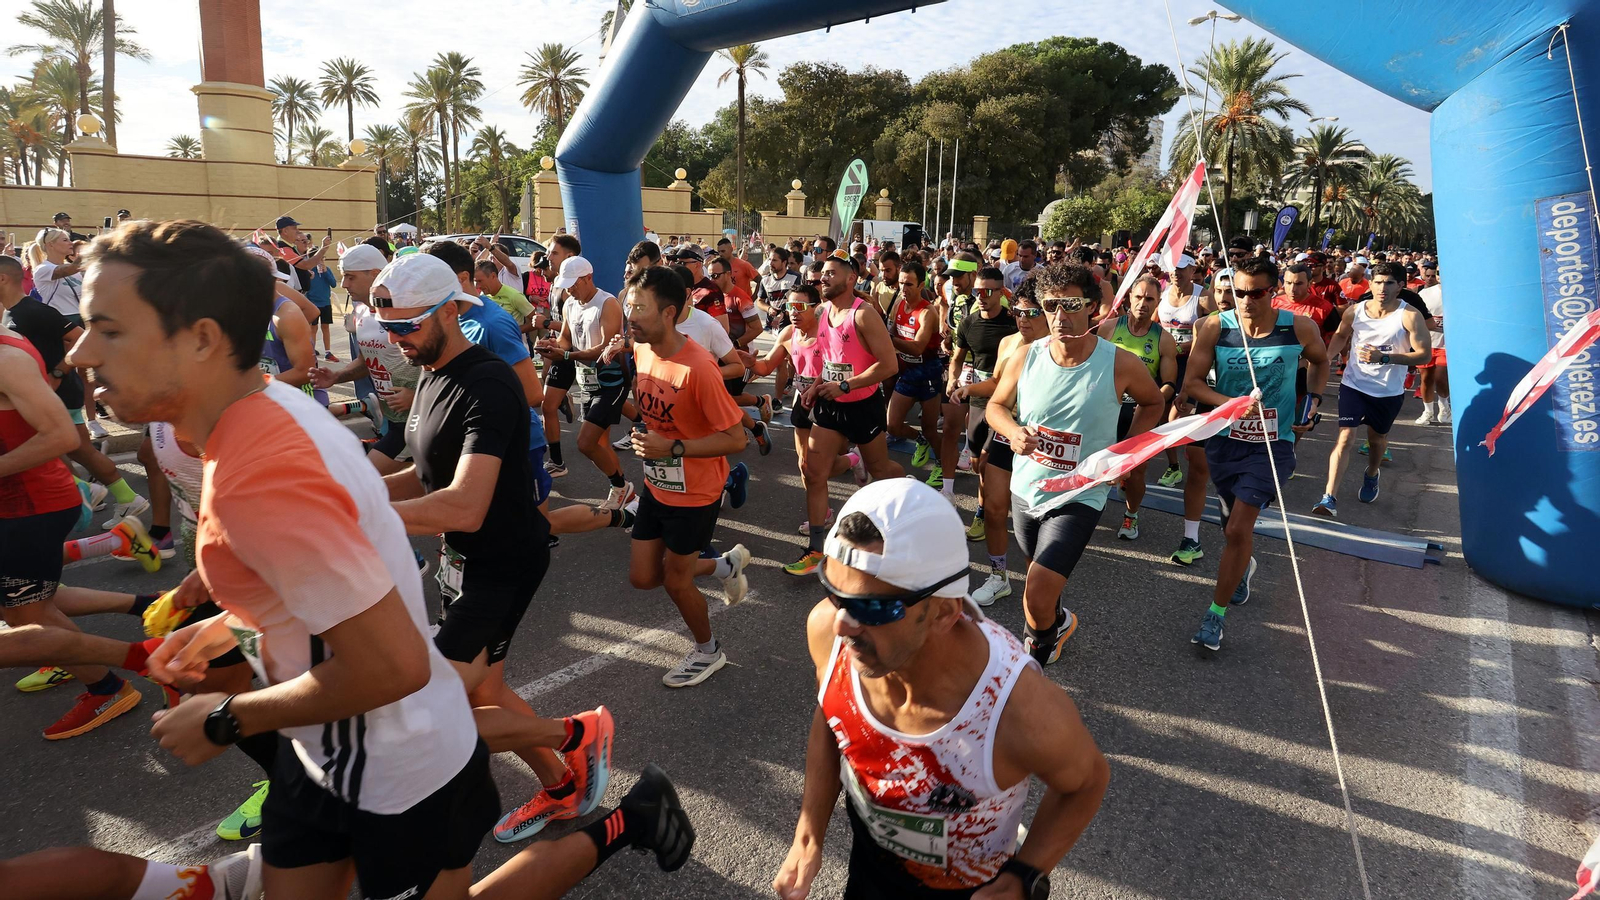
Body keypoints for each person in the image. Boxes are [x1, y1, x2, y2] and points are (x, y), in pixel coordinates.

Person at [369, 253, 612, 844]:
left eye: (410, 326)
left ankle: (575, 735)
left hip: (500, 565)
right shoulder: (430, 372)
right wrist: (359, 492)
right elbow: (425, 474)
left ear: (450, 311)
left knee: (435, 708)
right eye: (390, 329)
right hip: (464, 564)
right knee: (483, 691)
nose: (399, 340)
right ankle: (564, 787)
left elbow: (463, 503)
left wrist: (362, 518)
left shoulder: (490, 382)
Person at [772, 479, 1110, 900]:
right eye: (834, 593)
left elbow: (1087, 782)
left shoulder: (1016, 709)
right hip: (871, 864)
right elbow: (834, 714)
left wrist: (1024, 876)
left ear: (944, 612)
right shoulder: (829, 629)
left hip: (967, 887)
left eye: (871, 607)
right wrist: (809, 833)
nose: (842, 624)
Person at [988, 263, 1163, 664]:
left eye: (1071, 305)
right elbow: (997, 405)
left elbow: (1154, 401)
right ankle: (1059, 619)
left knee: (1036, 589)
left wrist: (1129, 452)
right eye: (1051, 306)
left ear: (1092, 309)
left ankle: (1037, 649)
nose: (1060, 317)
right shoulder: (1026, 356)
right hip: (1028, 486)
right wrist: (1014, 432)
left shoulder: (1119, 362)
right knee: (1041, 574)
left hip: (1082, 490)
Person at [1, 280, 141, 741]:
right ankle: (147, 611)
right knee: (30, 602)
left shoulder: (7, 357)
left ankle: (110, 683)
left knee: (25, 612)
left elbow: (62, 436)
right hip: (17, 503)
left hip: (32, 504)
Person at [1182, 255, 1329, 651]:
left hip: (1273, 445)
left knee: (1236, 529)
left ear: (1273, 291)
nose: (1246, 301)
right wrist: (1227, 402)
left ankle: (1215, 616)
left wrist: (1312, 401)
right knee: (1232, 524)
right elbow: (1193, 383)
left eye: (1257, 293)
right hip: (1225, 441)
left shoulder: (1298, 326)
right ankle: (1243, 565)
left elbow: (1321, 361)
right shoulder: (1214, 327)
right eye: (1239, 293)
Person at [622, 266, 753, 688]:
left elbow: (736, 439)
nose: (631, 316)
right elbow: (651, 408)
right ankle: (723, 566)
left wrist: (673, 447)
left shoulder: (699, 367)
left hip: (696, 491)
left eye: (640, 309)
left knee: (676, 579)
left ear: (669, 313)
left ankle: (708, 651)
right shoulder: (641, 349)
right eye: (629, 306)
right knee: (644, 576)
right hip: (657, 484)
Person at [1, 253, 150, 527]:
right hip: (41, 393)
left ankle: (105, 496)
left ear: (3, 279)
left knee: (74, 448)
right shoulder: (12, 312)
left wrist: (57, 372)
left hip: (58, 391)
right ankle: (94, 494)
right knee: (71, 450)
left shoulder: (35, 311)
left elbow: (80, 339)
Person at [786, 255, 904, 577]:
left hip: (863, 404)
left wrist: (846, 384)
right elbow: (830, 358)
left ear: (851, 279)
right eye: (822, 274)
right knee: (813, 472)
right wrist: (818, 387)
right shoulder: (823, 312)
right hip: (830, 402)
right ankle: (815, 550)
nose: (823, 278)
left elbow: (889, 365)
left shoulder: (863, 315)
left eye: (831, 274)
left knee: (880, 469)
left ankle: (908, 490)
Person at [739, 282, 862, 535]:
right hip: (802, 402)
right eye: (788, 307)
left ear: (815, 308)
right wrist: (750, 361)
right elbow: (764, 368)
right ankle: (826, 512)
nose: (792, 312)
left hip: (828, 403)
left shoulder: (828, 332)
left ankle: (854, 459)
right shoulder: (787, 334)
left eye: (798, 306)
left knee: (820, 468)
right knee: (805, 465)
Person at [1312, 261, 1430, 516]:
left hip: (1388, 391)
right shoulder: (1355, 311)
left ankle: (1372, 473)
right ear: (1371, 284)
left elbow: (1423, 355)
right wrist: (1325, 358)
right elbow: (1342, 335)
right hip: (1354, 384)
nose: (1382, 288)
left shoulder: (1409, 315)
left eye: (1389, 283)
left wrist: (1385, 358)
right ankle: (1328, 497)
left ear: (1400, 286)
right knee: (1345, 437)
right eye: (1377, 282)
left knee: (1377, 442)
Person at [959, 283, 1050, 607]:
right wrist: (969, 390)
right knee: (995, 509)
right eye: (1019, 312)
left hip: (1046, 441)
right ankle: (999, 576)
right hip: (1007, 431)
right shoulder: (1009, 342)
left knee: (1037, 519)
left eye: (1032, 313)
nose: (1023, 319)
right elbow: (998, 386)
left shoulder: (1063, 349)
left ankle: (1041, 586)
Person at [535, 255, 635, 509]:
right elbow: (566, 339)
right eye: (566, 283)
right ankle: (624, 492)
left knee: (585, 442)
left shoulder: (607, 303)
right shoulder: (570, 303)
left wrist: (566, 355)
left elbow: (605, 349)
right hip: (587, 382)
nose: (569, 288)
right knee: (597, 446)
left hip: (612, 381)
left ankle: (622, 487)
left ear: (589, 277)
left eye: (574, 283)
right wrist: (551, 345)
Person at [310, 244, 419, 474]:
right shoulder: (360, 311)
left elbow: (445, 365)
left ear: (375, 273)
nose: (343, 284)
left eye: (350, 277)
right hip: (396, 422)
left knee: (370, 483)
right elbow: (367, 360)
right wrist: (337, 376)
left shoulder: (408, 309)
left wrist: (418, 397)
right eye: (343, 276)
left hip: (425, 420)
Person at [1096, 275, 1178, 541]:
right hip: (1107, 408)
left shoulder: (1163, 339)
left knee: (1136, 471)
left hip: (1138, 412)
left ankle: (1131, 515)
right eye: (1139, 297)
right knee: (1096, 463)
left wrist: (1152, 400)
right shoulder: (1107, 328)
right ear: (1129, 297)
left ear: (1158, 302)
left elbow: (1168, 385)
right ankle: (1090, 506)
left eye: (1150, 299)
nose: (1143, 303)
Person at [948, 266, 1017, 545]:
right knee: (977, 464)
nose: (982, 296)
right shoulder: (968, 323)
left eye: (989, 291)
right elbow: (957, 357)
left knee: (989, 463)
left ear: (1001, 293)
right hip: (977, 399)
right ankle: (993, 502)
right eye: (978, 291)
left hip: (1006, 403)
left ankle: (983, 512)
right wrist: (952, 377)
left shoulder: (1014, 324)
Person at [886, 259, 944, 483]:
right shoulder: (900, 304)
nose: (903, 288)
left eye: (909, 284)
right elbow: (894, 329)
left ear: (921, 285)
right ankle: (919, 439)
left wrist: (890, 339)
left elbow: (918, 346)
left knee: (931, 429)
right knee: (892, 425)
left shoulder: (928, 312)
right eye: (901, 283)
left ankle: (940, 466)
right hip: (907, 373)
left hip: (928, 374)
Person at [1414, 263, 1450, 425]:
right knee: (1426, 379)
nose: (1437, 277)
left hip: (1446, 345)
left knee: (1441, 377)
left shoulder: (1458, 294)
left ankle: (1444, 408)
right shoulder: (1426, 293)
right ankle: (1428, 412)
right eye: (1437, 274)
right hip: (1427, 342)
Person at [474, 259, 536, 325]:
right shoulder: (483, 296)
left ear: (493, 276)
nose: (477, 286)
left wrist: (512, 331)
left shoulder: (514, 296)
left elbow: (536, 320)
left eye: (480, 281)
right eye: (475, 282)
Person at [303, 252, 339, 361]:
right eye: (319, 258)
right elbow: (306, 287)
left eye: (323, 258)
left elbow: (333, 284)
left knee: (325, 327)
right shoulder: (309, 272)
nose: (321, 261)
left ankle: (328, 352)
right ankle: (312, 350)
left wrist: (326, 272)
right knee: (313, 328)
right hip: (313, 303)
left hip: (325, 303)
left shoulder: (326, 270)